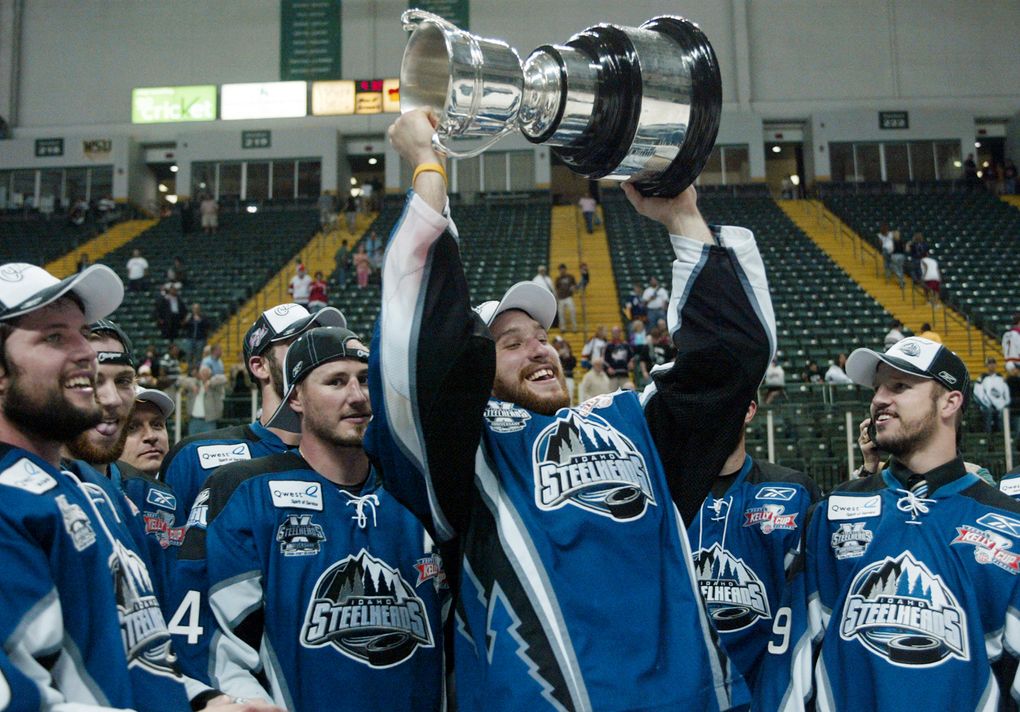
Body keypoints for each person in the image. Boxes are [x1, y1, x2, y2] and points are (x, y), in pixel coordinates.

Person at [372, 109, 777, 709]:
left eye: (542, 337)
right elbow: (420, 358)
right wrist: (429, 168)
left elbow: (728, 362)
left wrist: (683, 215)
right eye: (510, 343)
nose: (539, 347)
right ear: (476, 372)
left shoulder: (629, 421)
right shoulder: (461, 453)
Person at [172, 327, 449, 709]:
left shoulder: (417, 493)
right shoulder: (244, 491)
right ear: (296, 396)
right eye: (336, 381)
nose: (357, 396)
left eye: (366, 380)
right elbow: (207, 637)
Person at [759, 337, 1020, 710]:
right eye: (878, 387)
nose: (880, 398)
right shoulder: (833, 513)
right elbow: (791, 662)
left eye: (899, 386)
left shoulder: (1010, 526)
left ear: (950, 401)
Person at [0, 262, 195, 708]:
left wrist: (202, 698)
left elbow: (132, 654)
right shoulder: (10, 503)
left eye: (81, 333)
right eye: (54, 337)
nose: (85, 352)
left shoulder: (93, 489)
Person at [159, 303, 346, 521]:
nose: (316, 356)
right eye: (299, 344)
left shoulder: (352, 456)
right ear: (260, 367)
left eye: (320, 345)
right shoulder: (192, 457)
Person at [688, 400, 820, 696]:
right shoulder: (664, 495)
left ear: (749, 409)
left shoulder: (795, 490)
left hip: (770, 692)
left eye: (725, 394)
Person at [121, 386, 174, 477]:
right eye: (132, 427)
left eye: (157, 425)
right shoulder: (95, 489)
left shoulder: (186, 487)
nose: (151, 436)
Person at [180, 365, 228, 435]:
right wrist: (192, 386)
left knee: (208, 443)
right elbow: (180, 380)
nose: (204, 375)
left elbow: (224, 378)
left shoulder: (214, 385)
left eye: (206, 373)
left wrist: (210, 382)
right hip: (194, 420)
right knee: (192, 443)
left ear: (209, 374)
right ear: (199, 374)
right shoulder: (195, 382)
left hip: (209, 421)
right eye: (202, 372)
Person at [973, 357, 1010, 433]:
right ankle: (988, 439)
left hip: (1000, 406)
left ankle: (1002, 437)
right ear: (986, 365)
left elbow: (1006, 393)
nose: (992, 365)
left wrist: (1003, 404)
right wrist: (987, 404)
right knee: (988, 412)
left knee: (1004, 413)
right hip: (986, 406)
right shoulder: (982, 378)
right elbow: (978, 393)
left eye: (993, 363)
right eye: (990, 363)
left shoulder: (1001, 378)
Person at [603, 324, 634, 390]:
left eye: (617, 332)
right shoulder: (608, 346)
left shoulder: (626, 345)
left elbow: (631, 357)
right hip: (613, 376)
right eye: (614, 332)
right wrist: (608, 368)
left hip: (624, 374)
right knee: (612, 394)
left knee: (626, 392)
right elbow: (604, 360)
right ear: (612, 333)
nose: (616, 334)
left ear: (620, 333)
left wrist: (631, 362)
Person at [183, 301, 211, 373]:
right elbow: (184, 326)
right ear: (192, 309)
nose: (196, 310)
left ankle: (197, 371)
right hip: (190, 338)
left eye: (197, 308)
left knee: (199, 356)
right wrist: (186, 320)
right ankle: (190, 371)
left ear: (199, 309)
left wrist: (200, 320)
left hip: (200, 339)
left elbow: (208, 326)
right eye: (194, 308)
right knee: (189, 355)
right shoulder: (189, 317)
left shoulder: (203, 317)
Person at [554, 262, 579, 332]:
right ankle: (563, 328)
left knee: (572, 311)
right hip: (561, 298)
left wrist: (574, 288)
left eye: (562, 269)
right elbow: (556, 288)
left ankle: (574, 327)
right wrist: (556, 297)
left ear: (565, 269)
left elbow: (575, 286)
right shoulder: (558, 278)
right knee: (561, 314)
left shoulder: (570, 277)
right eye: (560, 269)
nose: (561, 270)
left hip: (569, 297)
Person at [553, 335, 577, 404]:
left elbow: (573, 364)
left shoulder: (571, 357)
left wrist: (567, 356)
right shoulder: (554, 354)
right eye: (558, 343)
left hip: (568, 377)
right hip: (557, 379)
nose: (560, 346)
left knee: (569, 396)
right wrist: (559, 356)